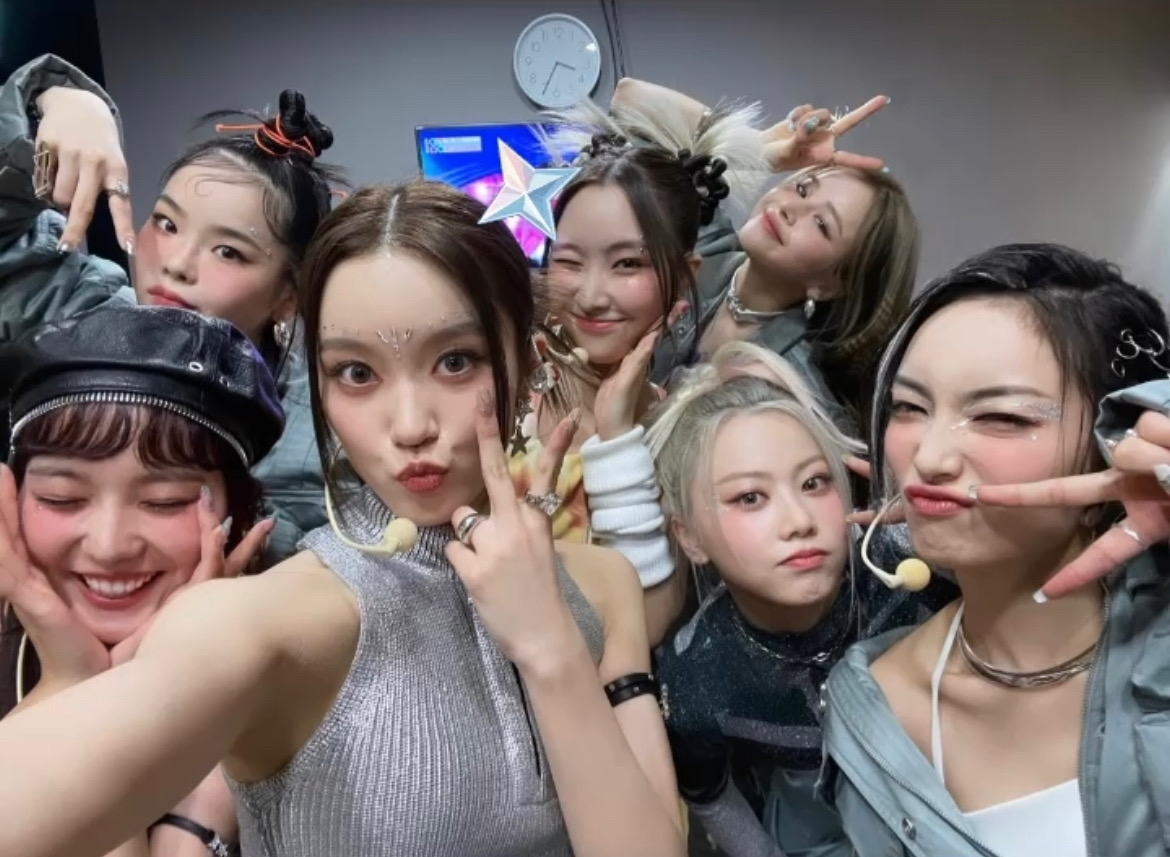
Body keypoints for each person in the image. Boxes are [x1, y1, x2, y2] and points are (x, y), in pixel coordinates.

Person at [0, 180, 683, 857]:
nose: (410, 426)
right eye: (356, 373)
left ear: (525, 362)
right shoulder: (274, 622)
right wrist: (68, 681)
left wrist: (552, 650)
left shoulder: (605, 585)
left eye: (456, 361)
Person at [822, 243, 1170, 857]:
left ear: (1113, 443)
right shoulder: (873, 704)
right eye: (909, 407)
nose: (929, 457)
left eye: (1002, 417)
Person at [583, 340, 953, 855]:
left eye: (814, 483)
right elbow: (711, 797)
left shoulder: (918, 573)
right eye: (750, 497)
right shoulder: (697, 679)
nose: (799, 521)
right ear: (689, 537)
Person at [0, 54, 343, 564]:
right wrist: (56, 99)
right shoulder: (81, 316)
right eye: (166, 223)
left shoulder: (329, 423)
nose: (177, 264)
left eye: (228, 251)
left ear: (288, 295)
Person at [0, 302, 281, 856]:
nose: (109, 546)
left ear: (238, 512)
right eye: (62, 497)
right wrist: (77, 683)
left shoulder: (287, 682)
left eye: (164, 501)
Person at [509, 96, 766, 555]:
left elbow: (660, 598)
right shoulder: (501, 382)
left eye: (628, 263)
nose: (592, 296)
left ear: (685, 276)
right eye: (569, 262)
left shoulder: (686, 430)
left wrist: (616, 438)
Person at [612, 78, 919, 429]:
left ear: (831, 285)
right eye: (802, 188)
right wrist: (756, 149)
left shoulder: (798, 392)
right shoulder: (706, 242)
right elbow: (628, 98)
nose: (790, 207)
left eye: (821, 223)